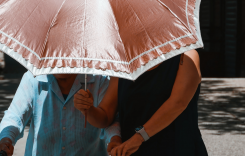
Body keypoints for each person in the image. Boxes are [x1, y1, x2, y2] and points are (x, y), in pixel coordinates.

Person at [74, 50, 208, 156]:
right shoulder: (123, 65)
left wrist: (138, 138)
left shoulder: (187, 56)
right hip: (134, 152)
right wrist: (88, 109)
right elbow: (105, 117)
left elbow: (177, 103)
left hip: (179, 149)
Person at [0, 72, 121, 156]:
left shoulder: (99, 80)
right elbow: (15, 115)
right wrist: (6, 139)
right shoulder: (33, 78)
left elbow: (109, 119)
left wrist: (115, 139)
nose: (61, 60)